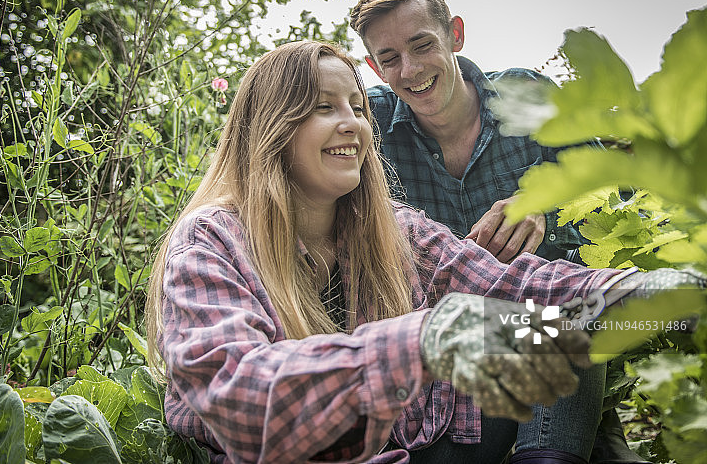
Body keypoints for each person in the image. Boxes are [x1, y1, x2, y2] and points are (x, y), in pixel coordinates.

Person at [145, 40, 700, 463]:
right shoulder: (210, 242)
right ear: (270, 128)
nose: (353, 124)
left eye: (358, 107)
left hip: (430, 442)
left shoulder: (394, 231)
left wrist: (662, 293)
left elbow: (522, 289)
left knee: (556, 333)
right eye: (322, 108)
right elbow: (238, 400)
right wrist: (426, 338)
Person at [348, 0, 643, 463]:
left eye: (422, 45)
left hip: (559, 333)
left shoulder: (530, 97)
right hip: (453, 355)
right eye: (390, 58)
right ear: (376, 69)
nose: (411, 69)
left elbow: (619, 199)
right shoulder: (370, 126)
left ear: (455, 34)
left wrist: (548, 211)